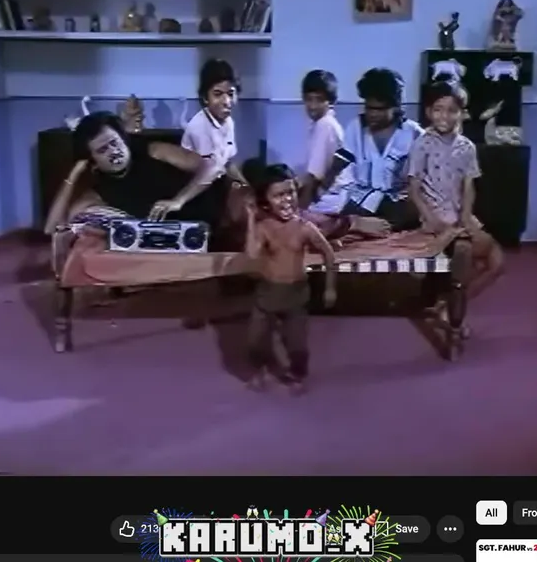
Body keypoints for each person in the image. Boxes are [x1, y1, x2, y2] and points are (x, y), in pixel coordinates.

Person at [43, 112, 236, 247]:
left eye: (114, 142)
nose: (114, 151)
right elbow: (52, 229)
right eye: (103, 150)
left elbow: (213, 167)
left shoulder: (153, 151)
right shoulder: (100, 192)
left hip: (213, 216)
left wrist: (179, 200)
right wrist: (73, 175)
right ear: (92, 162)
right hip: (178, 241)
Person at [407, 80, 505, 338]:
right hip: (435, 217)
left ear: (462, 113)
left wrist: (466, 216)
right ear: (429, 112)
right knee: (465, 255)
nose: (444, 116)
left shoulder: (467, 147)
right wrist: (430, 219)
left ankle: (447, 305)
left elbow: (469, 187)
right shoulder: (423, 144)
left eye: (452, 110)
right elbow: (413, 188)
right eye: (438, 110)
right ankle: (452, 311)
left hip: (460, 216)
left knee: (496, 262)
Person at [242, 159, 337, 395]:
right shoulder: (263, 227)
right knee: (255, 340)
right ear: (265, 201)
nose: (286, 200)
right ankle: (258, 370)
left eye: (290, 193)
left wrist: (330, 288)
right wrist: (251, 218)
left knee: (297, 344)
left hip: (296, 295)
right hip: (268, 292)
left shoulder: (305, 227)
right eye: (278, 195)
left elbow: (329, 254)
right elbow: (252, 253)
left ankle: (297, 373)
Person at [295, 69, 389, 241]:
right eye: (309, 99)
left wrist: (299, 213)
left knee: (297, 224)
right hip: (333, 194)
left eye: (319, 100)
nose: (313, 106)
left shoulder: (325, 125)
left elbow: (314, 177)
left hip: (335, 199)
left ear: (331, 102)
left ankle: (350, 224)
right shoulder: (320, 124)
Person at [331, 67, 423, 231]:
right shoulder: (355, 128)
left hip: (398, 203)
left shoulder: (414, 133)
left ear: (395, 107)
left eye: (379, 109)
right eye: (368, 108)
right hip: (361, 201)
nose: (372, 114)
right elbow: (339, 167)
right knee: (342, 223)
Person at [182, 59, 248, 188]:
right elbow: (207, 174)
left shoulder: (229, 122)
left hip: (217, 183)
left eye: (231, 94)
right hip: (195, 187)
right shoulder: (199, 126)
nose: (226, 101)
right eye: (218, 94)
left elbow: (227, 163)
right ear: (205, 98)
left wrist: (245, 186)